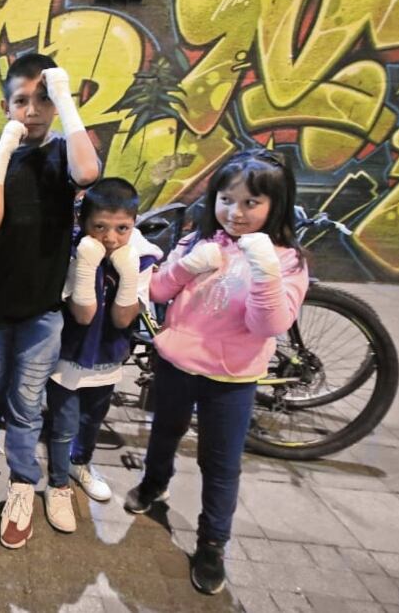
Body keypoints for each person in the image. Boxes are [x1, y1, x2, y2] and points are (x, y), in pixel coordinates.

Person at [123, 149, 308, 595]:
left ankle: (212, 543)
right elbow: (160, 289)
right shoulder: (198, 241)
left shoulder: (286, 262)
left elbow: (270, 324)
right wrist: (187, 264)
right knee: (164, 431)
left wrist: (264, 269)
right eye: (227, 200)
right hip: (176, 363)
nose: (236, 212)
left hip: (233, 379)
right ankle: (153, 484)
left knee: (220, 464)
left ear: (275, 205)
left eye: (250, 203)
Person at [0, 53, 100, 550]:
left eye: (42, 99)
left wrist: (65, 99)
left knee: (27, 404)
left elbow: (88, 174)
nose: (32, 110)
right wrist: (3, 152)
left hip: (42, 312)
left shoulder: (65, 154)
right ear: (6, 105)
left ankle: (24, 482)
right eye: (22, 100)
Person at [44, 178, 162, 534]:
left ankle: (81, 465)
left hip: (109, 359)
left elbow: (123, 318)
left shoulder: (140, 260)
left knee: (91, 423)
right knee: (63, 426)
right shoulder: (76, 252)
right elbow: (82, 315)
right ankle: (58, 483)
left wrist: (127, 273)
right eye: (100, 227)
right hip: (69, 358)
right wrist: (86, 266)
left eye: (122, 228)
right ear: (85, 223)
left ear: (134, 224)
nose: (111, 237)